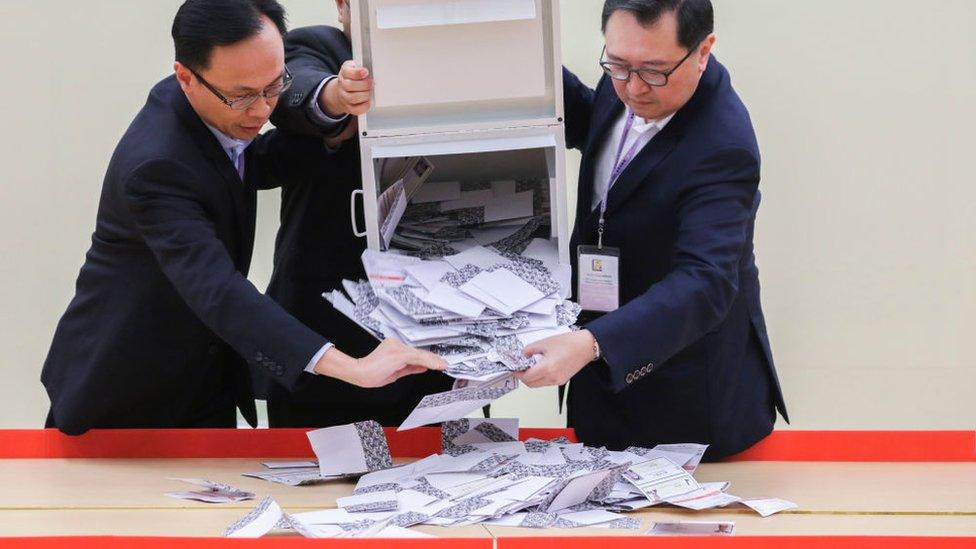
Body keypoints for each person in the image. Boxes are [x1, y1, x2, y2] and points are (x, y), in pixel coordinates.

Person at [40, 0, 445, 436]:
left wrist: (329, 139)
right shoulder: (155, 166)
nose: (262, 110)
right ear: (186, 77)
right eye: (243, 96)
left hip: (205, 377)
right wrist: (353, 367)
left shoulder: (205, 108)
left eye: (273, 87)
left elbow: (248, 163)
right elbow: (219, 291)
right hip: (127, 391)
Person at [517, 0, 788, 460]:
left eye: (654, 71)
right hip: (599, 373)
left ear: (703, 51)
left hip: (685, 395)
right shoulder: (629, 71)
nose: (633, 88)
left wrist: (591, 343)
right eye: (617, 65)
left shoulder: (723, 145)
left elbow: (705, 282)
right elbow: (590, 116)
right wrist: (516, 47)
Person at [260, 0, 454, 428]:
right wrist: (336, 95)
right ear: (344, 7)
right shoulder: (316, 44)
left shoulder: (450, 57)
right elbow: (296, 92)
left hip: (430, 345)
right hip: (323, 343)